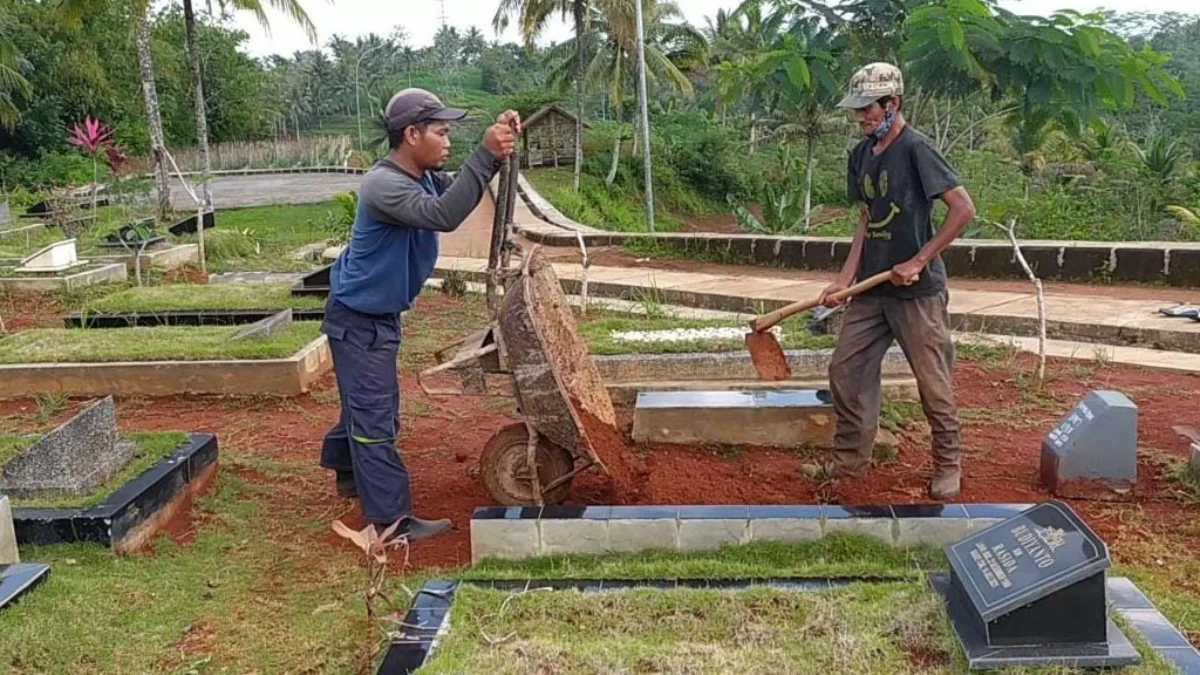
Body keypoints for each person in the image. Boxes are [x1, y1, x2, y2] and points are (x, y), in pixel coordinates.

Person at [319, 88, 520, 541]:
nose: (448, 141)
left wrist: (497, 149)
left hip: (373, 316)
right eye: (441, 132)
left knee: (366, 402)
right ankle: (391, 523)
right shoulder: (384, 184)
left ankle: (346, 471)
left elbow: (464, 193)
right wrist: (485, 155)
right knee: (376, 419)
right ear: (411, 134)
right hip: (359, 320)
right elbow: (445, 215)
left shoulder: (422, 178)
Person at [817, 63, 977, 499]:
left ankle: (948, 463)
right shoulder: (860, 155)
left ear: (893, 104)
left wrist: (920, 260)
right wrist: (843, 280)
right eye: (857, 110)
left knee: (933, 383)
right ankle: (850, 463)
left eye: (867, 108)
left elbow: (964, 209)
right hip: (871, 290)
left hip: (917, 295)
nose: (860, 117)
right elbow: (866, 221)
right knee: (846, 371)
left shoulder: (916, 149)